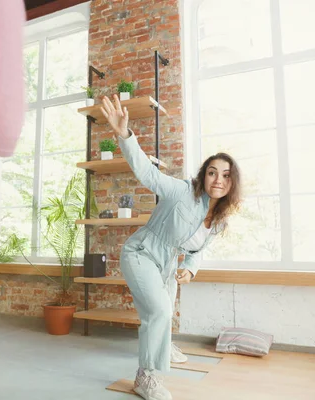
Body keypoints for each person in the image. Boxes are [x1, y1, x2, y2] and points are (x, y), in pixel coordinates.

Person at [100, 95, 242, 400]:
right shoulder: (181, 192)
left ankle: (163, 344)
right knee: (161, 311)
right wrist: (124, 134)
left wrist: (189, 268)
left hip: (167, 264)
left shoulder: (218, 220)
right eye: (212, 172)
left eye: (226, 175)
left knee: (161, 314)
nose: (218, 179)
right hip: (140, 254)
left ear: (232, 184)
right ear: (204, 175)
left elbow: (197, 250)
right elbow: (147, 173)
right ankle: (145, 378)